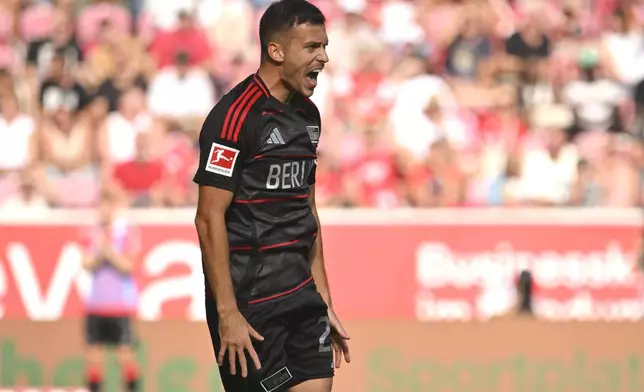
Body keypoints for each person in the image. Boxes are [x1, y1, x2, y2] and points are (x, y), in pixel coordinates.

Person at [193, 1, 350, 391]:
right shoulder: (234, 117)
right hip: (251, 306)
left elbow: (307, 211)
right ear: (276, 51)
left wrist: (324, 299)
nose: (324, 57)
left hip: (302, 296)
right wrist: (227, 312)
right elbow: (208, 218)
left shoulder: (308, 117)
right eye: (312, 47)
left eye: (325, 46)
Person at [81, 192, 141, 392]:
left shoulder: (125, 232)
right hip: (95, 304)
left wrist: (108, 252)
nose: (104, 211)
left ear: (113, 208)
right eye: (100, 206)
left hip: (119, 306)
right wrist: (101, 252)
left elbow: (127, 265)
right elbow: (86, 263)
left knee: (125, 356)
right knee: (93, 357)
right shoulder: (91, 233)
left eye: (108, 206)